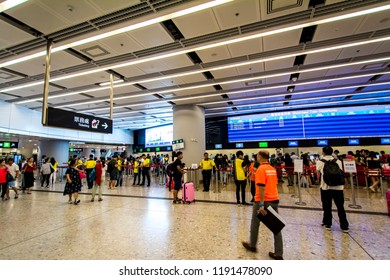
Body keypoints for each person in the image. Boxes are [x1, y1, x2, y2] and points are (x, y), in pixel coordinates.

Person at [242, 150, 284, 260]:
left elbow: (261, 187)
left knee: (255, 223)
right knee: (276, 227)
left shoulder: (261, 169)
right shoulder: (272, 169)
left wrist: (261, 204)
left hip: (263, 201)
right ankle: (279, 253)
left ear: (260, 157)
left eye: (257, 156)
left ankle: (252, 245)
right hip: (274, 199)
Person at [316, 146, 349, 233]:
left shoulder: (320, 162)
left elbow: (318, 175)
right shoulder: (338, 161)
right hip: (338, 188)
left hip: (326, 187)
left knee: (327, 206)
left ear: (323, 152)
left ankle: (327, 224)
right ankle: (344, 226)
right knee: (340, 207)